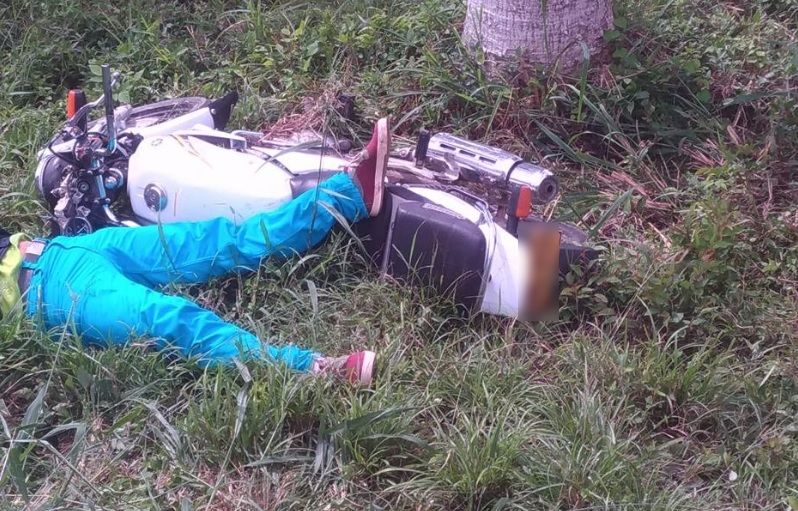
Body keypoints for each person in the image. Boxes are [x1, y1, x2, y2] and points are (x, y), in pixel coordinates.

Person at [0, 119, 392, 385]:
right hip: (46, 296)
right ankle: (315, 370)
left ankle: (349, 194)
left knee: (218, 239)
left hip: (64, 250)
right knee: (166, 320)